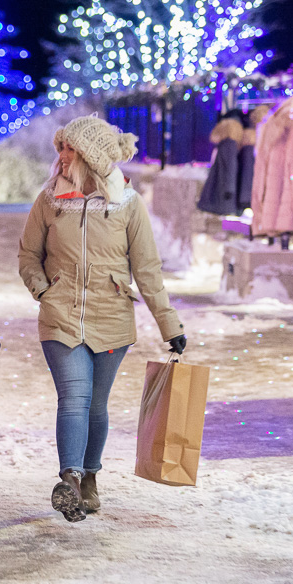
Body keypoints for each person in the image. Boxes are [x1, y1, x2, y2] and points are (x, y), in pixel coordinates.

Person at [18, 115, 187, 523]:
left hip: (111, 319)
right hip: (61, 318)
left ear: (90, 157)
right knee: (73, 397)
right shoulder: (49, 201)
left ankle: (91, 476)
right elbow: (28, 256)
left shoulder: (127, 204)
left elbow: (147, 270)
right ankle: (70, 480)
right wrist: (45, 291)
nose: (61, 156)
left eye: (69, 149)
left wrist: (170, 325)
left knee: (96, 404)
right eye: (61, 147)